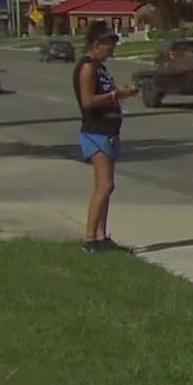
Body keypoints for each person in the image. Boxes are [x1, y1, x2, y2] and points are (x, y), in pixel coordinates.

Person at [73, 23, 138, 253]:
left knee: (105, 187)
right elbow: (88, 101)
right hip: (96, 132)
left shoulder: (99, 67)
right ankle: (90, 239)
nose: (112, 50)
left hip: (108, 131)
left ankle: (101, 236)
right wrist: (116, 94)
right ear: (96, 44)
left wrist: (119, 94)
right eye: (109, 46)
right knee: (105, 186)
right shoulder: (88, 67)